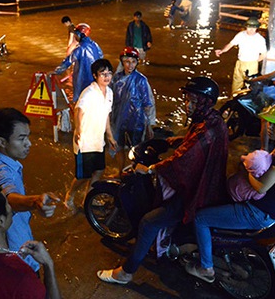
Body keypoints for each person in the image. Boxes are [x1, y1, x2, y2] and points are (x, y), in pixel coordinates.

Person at [97, 77, 229, 284]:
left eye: (194, 102)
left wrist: (149, 169)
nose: (188, 105)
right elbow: (189, 143)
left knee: (148, 223)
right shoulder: (213, 120)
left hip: (197, 192)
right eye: (188, 100)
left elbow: (182, 161)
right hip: (209, 184)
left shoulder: (206, 129)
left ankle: (126, 273)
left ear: (205, 102)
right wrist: (168, 141)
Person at [186, 102, 275, 282]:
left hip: (259, 212)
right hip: (273, 208)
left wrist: (246, 169)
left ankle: (206, 268)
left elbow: (261, 186)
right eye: (269, 124)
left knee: (201, 218)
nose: (270, 128)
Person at [0, 108, 60, 271]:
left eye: (28, 136)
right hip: (16, 257)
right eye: (21, 138)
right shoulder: (0, 171)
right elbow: (10, 198)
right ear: (3, 142)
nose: (29, 143)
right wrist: (35, 201)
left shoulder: (7, 166)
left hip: (19, 245)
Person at [64, 59, 117, 213]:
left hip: (98, 141)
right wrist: (79, 130)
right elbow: (78, 110)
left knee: (99, 170)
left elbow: (106, 115)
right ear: (95, 75)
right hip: (85, 142)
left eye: (109, 73)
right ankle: (70, 196)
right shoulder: (89, 93)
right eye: (102, 74)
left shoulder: (109, 93)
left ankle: (88, 198)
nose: (106, 77)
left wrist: (110, 136)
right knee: (83, 176)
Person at [110, 47, 157, 172]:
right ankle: (120, 172)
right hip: (118, 120)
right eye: (127, 61)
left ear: (137, 63)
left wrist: (149, 125)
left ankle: (133, 174)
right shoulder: (116, 78)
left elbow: (148, 104)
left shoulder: (141, 80)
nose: (130, 65)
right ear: (122, 62)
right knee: (118, 147)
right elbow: (110, 99)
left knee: (136, 150)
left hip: (136, 121)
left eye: (133, 62)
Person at [52, 23, 103, 102]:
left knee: (80, 101)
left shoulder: (79, 49)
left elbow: (68, 62)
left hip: (81, 80)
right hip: (95, 80)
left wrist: (56, 71)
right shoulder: (95, 45)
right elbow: (101, 57)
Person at [215, 17, 267, 94]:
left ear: (257, 28)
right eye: (249, 27)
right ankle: (234, 100)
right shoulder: (240, 35)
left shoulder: (260, 39)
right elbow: (230, 44)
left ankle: (246, 102)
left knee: (249, 86)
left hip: (251, 64)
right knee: (236, 84)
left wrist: (254, 62)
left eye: (254, 28)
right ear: (246, 27)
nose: (251, 30)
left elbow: (263, 54)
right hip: (239, 63)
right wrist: (222, 51)